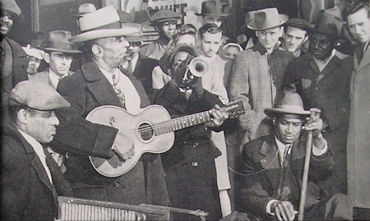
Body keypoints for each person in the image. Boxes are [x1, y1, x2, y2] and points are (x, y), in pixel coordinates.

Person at [49, 6, 169, 206]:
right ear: (97, 50)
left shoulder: (131, 81)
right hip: (105, 194)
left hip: (142, 188)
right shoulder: (75, 84)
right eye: (118, 40)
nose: (127, 45)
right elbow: (63, 128)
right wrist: (110, 139)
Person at [237, 92, 353, 221]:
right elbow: (250, 193)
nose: (290, 130)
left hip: (307, 215)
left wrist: (318, 138)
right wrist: (274, 205)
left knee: (341, 201)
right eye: (285, 123)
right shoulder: (253, 149)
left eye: (296, 125)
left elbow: (325, 170)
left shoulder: (308, 145)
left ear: (302, 125)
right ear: (274, 121)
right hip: (272, 217)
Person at [154, 52, 229, 220]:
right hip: (173, 165)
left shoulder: (204, 96)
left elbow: (231, 124)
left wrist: (200, 90)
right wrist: (174, 85)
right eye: (178, 64)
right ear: (169, 70)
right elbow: (154, 111)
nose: (184, 69)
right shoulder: (161, 95)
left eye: (187, 64)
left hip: (203, 167)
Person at [283, 12, 352, 196]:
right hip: (305, 138)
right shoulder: (297, 65)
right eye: (313, 41)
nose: (317, 46)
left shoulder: (347, 66)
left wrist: (327, 122)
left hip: (336, 140)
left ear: (335, 43)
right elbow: (289, 96)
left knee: (335, 189)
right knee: (307, 190)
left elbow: (351, 103)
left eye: (323, 42)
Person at [1, 80, 73, 220]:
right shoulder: (12, 155)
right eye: (48, 115)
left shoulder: (34, 145)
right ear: (24, 116)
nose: (56, 121)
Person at [228, 8, 294, 147]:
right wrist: (249, 123)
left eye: (272, 33)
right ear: (257, 33)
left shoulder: (288, 58)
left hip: (284, 129)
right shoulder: (244, 58)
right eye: (263, 33)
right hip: (255, 131)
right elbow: (237, 96)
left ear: (281, 32)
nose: (268, 38)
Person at [343, 1, 370, 218]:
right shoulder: (356, 51)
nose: (356, 31)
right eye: (351, 26)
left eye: (361, 24)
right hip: (358, 142)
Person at [118, 12, 159, 102]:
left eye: (135, 44)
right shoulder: (115, 65)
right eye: (128, 44)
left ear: (140, 45)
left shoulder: (151, 65)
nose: (131, 48)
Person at [1, 0, 29, 122]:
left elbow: (22, 93)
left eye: (11, 17)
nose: (6, 20)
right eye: (1, 14)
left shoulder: (16, 51)